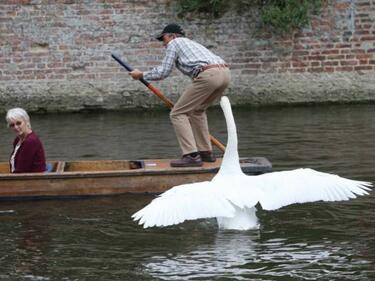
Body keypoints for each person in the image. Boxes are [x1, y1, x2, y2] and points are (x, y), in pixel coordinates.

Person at [129, 23, 231, 167]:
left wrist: (141, 75)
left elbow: (164, 71)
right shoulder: (192, 44)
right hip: (225, 74)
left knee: (177, 113)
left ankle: (191, 155)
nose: (163, 44)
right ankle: (205, 153)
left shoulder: (174, 43)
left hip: (209, 75)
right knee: (197, 111)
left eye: (163, 39)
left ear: (173, 36)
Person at [6, 108, 46, 173]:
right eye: (12, 125)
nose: (16, 127)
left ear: (26, 121)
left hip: (32, 181)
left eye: (18, 123)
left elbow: (22, 169)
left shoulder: (31, 141)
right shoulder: (18, 140)